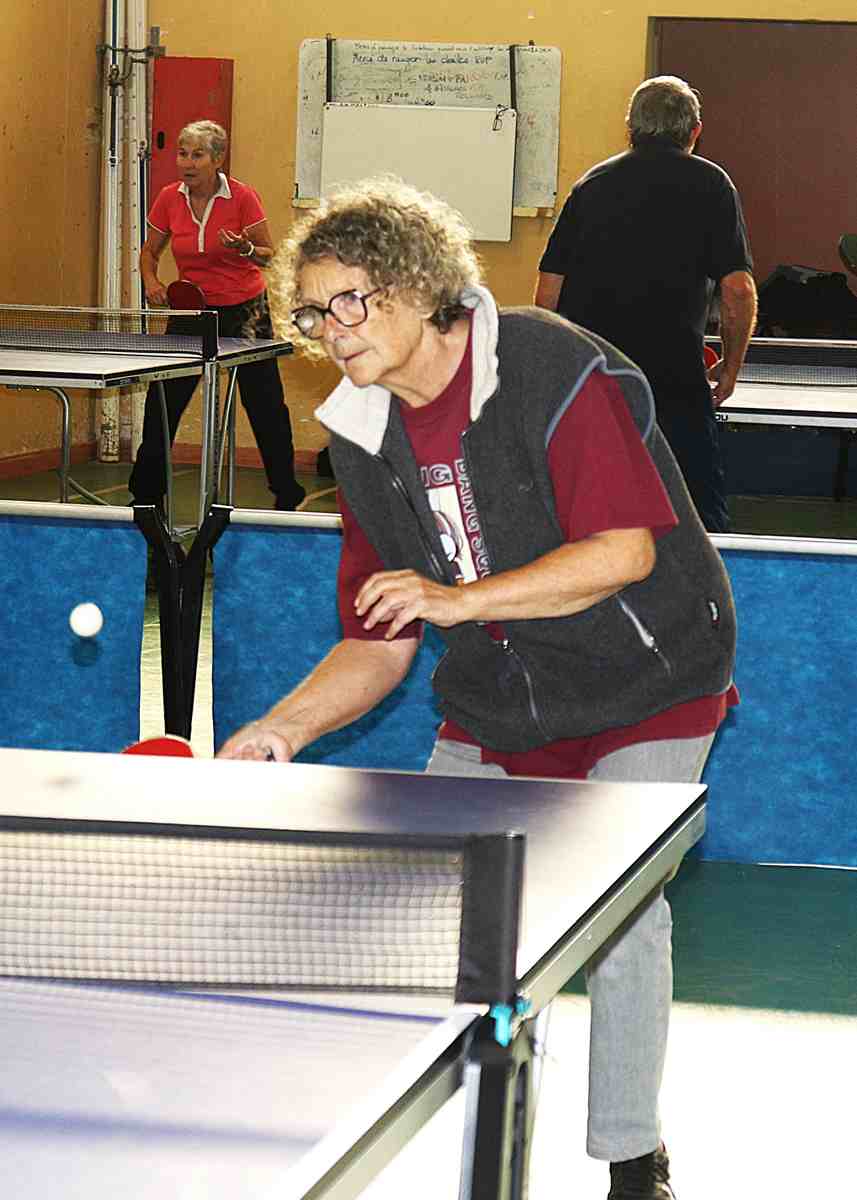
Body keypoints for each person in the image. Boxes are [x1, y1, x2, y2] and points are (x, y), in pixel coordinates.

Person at [218, 178, 738, 1200]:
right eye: (312, 312)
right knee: (441, 907)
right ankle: (468, 1135)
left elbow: (622, 553)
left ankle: (631, 1157)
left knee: (622, 910)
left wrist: (455, 600)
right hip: (503, 690)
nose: (329, 329)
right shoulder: (358, 430)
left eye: (349, 301)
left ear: (419, 287)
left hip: (651, 672)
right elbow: (378, 639)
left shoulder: (551, 366)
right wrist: (280, 728)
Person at [535, 75, 757, 533]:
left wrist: (554, 372)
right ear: (694, 131)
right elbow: (737, 291)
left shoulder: (590, 185)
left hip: (595, 377)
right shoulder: (712, 184)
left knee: (589, 515)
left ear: (630, 129)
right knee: (697, 518)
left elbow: (548, 292)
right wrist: (731, 367)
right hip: (675, 381)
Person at [128, 120, 305, 511]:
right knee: (163, 401)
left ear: (218, 159)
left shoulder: (242, 197)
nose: (187, 163)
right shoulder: (169, 198)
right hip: (192, 311)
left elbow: (269, 256)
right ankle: (145, 496)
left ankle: (286, 494)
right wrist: (151, 281)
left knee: (265, 405)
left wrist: (245, 249)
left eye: (197, 155)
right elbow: (150, 251)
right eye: (182, 153)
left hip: (246, 312)